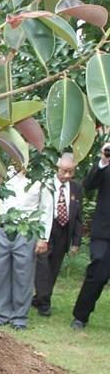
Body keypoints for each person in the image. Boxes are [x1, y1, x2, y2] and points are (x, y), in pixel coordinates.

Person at [0, 166, 53, 330]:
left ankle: (19, 317)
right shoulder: (2, 172)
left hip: (26, 231)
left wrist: (43, 238)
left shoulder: (40, 175)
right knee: (0, 272)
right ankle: (1, 314)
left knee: (23, 275)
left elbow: (46, 209)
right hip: (2, 228)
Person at [34, 153, 83, 317]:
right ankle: (44, 302)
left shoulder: (76, 187)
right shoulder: (46, 184)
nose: (67, 175)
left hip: (64, 231)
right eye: (64, 171)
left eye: (71, 172)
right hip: (48, 228)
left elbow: (77, 217)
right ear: (57, 167)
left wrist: (76, 241)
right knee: (42, 266)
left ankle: (41, 298)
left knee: (54, 268)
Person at [71, 141, 110, 329]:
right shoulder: (106, 165)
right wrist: (103, 160)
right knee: (97, 274)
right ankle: (80, 316)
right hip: (105, 231)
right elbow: (88, 185)